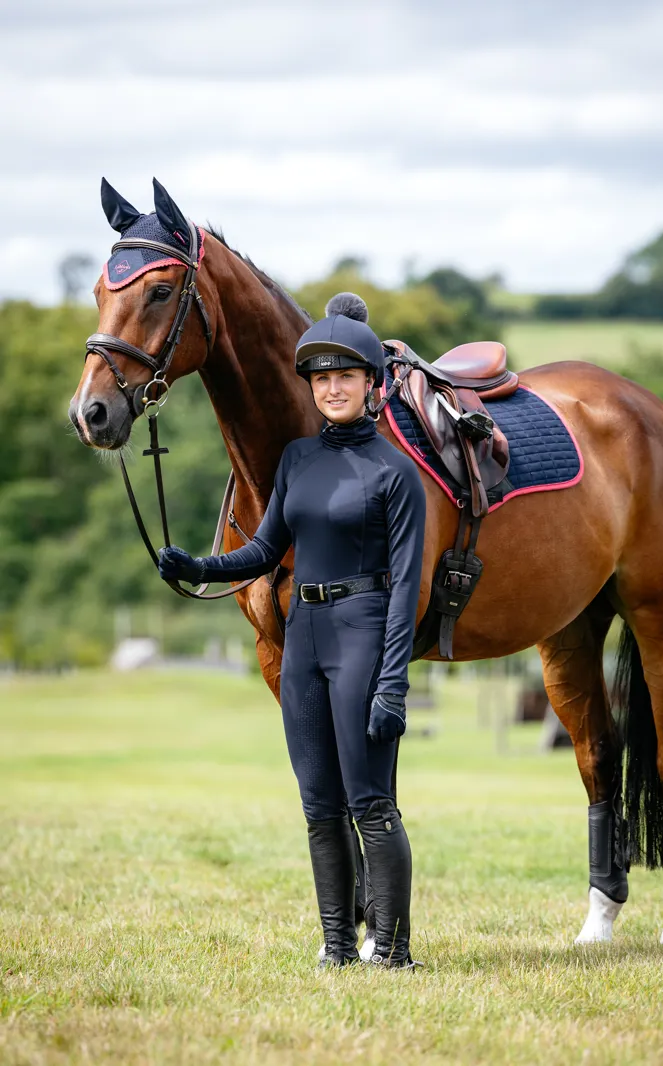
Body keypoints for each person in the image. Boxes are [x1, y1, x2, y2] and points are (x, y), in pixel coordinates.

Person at [158, 293, 426, 969]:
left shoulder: (396, 473)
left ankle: (393, 952)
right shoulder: (298, 461)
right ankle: (338, 947)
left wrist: (393, 683)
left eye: (346, 376)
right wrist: (198, 567)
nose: (332, 388)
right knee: (318, 806)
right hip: (303, 636)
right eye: (322, 377)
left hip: (364, 632)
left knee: (371, 803)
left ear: (371, 384)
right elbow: (263, 549)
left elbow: (404, 591)